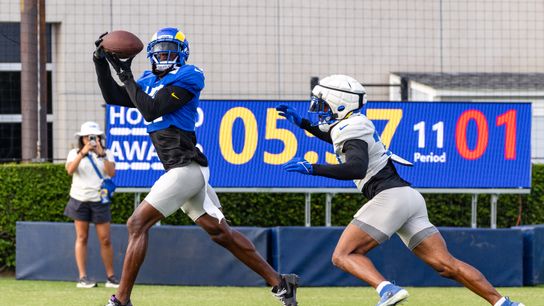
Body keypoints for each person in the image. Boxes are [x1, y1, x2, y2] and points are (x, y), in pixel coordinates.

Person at [276, 74, 525, 306]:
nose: (319, 111)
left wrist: (313, 168)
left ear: (339, 104)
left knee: (343, 255)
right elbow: (337, 137)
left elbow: (356, 168)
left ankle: (387, 290)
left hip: (390, 197)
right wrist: (304, 124)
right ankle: (503, 303)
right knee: (446, 264)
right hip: (408, 198)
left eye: (322, 105)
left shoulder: (349, 128)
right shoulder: (352, 125)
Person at [92, 27, 299, 306]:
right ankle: (281, 283)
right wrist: (101, 62)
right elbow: (114, 97)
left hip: (185, 168)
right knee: (220, 233)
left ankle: (122, 299)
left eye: (169, 49)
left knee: (136, 223)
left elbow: (152, 109)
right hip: (180, 170)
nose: (163, 55)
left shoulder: (190, 75)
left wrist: (126, 74)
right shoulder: (147, 78)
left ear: (181, 53)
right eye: (159, 49)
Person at [64, 121, 120, 289]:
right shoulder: (74, 153)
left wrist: (101, 155)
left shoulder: (107, 153)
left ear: (100, 138)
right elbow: (70, 170)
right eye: (88, 137)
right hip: (79, 199)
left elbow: (111, 173)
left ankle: (111, 277)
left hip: (100, 200)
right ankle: (83, 278)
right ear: (82, 138)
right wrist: (83, 153)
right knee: (82, 237)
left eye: (94, 137)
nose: (91, 140)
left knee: (105, 239)